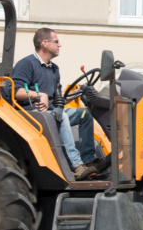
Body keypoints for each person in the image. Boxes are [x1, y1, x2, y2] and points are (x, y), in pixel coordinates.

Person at [12, 27, 102, 180]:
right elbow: (15, 91)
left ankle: (88, 160)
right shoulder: (26, 64)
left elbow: (57, 99)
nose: (60, 45)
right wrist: (39, 95)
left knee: (84, 114)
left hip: (51, 112)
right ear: (45, 44)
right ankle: (76, 166)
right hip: (32, 114)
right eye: (57, 41)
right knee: (62, 117)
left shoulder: (54, 69)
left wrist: (78, 93)